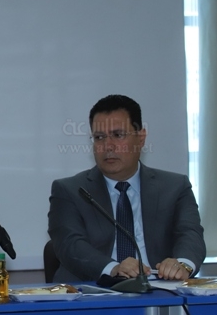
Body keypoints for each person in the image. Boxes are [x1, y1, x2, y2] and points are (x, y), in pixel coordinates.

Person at [48, 95, 205, 282]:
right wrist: (113, 268)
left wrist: (182, 264)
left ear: (141, 138)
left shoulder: (175, 187)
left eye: (118, 135)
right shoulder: (70, 190)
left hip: (160, 289)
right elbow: (69, 244)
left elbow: (190, 234)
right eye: (99, 137)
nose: (108, 146)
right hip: (94, 290)